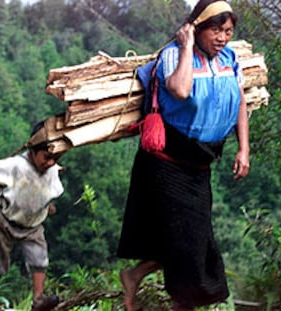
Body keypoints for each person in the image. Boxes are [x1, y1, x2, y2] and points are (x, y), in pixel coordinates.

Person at [116, 0, 250, 310]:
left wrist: (244, 148)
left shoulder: (230, 59)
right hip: (167, 164)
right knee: (187, 243)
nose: (222, 38)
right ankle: (176, 301)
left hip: (201, 164)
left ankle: (135, 276)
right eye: (216, 30)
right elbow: (180, 90)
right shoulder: (173, 55)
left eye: (228, 31)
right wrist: (187, 45)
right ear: (197, 27)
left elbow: (240, 103)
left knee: (191, 240)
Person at [0, 122, 65, 311]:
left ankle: (38, 299)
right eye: (47, 157)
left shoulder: (52, 170)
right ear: (33, 151)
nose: (50, 162)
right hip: (6, 221)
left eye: (55, 158)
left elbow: (50, 190)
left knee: (39, 259)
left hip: (33, 225)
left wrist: (46, 205)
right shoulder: (15, 166)